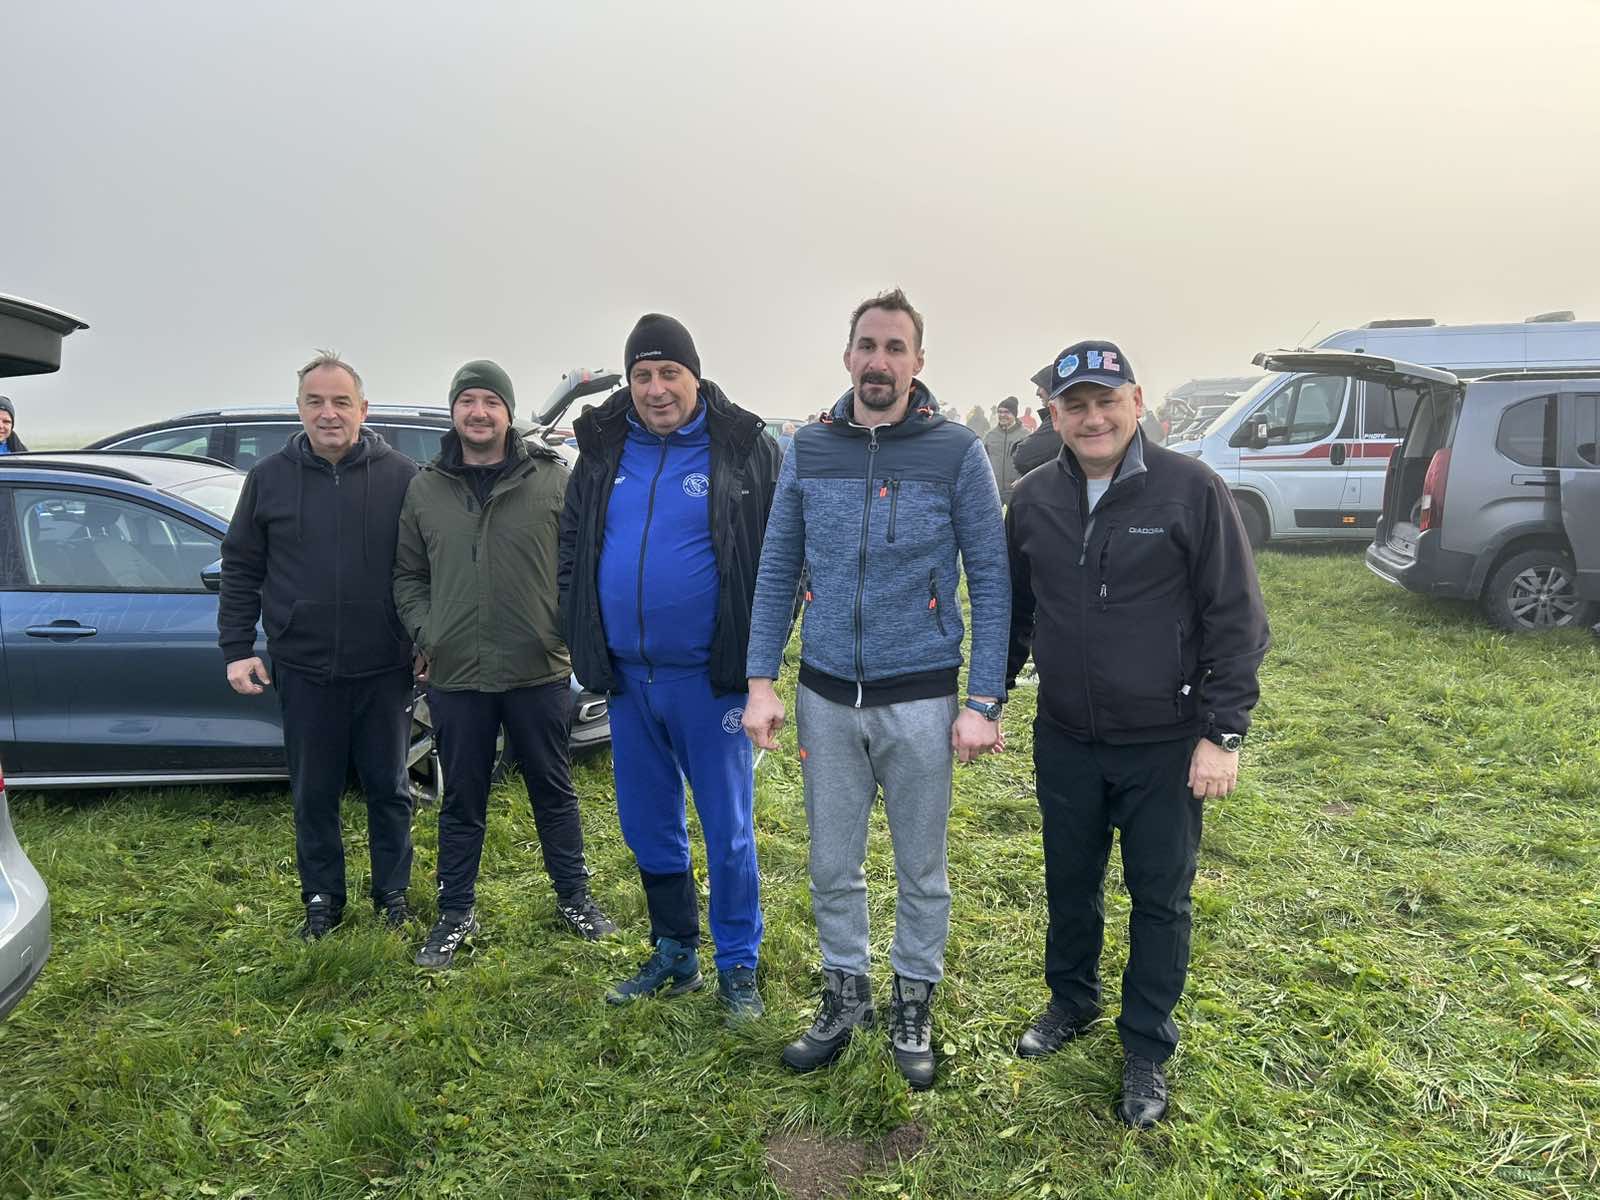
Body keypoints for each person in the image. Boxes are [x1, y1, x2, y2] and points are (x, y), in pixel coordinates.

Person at [743, 288, 1010, 1090]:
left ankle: (913, 1001)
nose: (879, 361)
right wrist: (761, 681)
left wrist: (982, 701)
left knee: (921, 869)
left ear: (918, 362)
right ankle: (845, 995)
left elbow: (991, 578)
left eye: (896, 348)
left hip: (923, 698)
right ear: (847, 355)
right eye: (868, 345)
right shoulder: (808, 448)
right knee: (833, 865)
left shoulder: (956, 452)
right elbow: (777, 569)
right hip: (826, 698)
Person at [1005, 339, 1269, 1128]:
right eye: (1075, 406)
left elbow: (1237, 618)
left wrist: (1223, 733)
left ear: (1137, 403)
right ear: (1054, 415)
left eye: (1106, 402)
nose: (1093, 419)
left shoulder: (1191, 489)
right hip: (1066, 736)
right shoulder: (1031, 499)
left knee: (1160, 899)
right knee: (1069, 882)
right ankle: (1071, 1000)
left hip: (1165, 741)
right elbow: (1016, 613)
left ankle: (1147, 1044)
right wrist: (987, 698)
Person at [558, 313, 780, 1022]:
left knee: (728, 830)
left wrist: (761, 665)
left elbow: (781, 555)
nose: (656, 389)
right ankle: (675, 950)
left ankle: (738, 965)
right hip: (628, 679)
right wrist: (580, 629)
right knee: (647, 823)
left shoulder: (741, 447)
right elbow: (572, 547)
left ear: (695, 376)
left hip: (708, 680)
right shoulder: (603, 449)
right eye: (642, 375)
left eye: (669, 373)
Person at [393, 360, 615, 970]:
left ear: (508, 412)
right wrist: (429, 632)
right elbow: (408, 575)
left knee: (554, 789)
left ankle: (574, 898)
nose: (479, 412)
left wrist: (565, 631)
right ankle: (454, 910)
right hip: (457, 672)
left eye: (491, 401)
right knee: (462, 798)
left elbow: (582, 564)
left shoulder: (551, 479)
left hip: (536, 667)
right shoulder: (425, 488)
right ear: (454, 412)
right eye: (468, 401)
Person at [218, 351, 419, 940]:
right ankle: (322, 899)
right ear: (299, 408)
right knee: (314, 792)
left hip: (384, 665)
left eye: (340, 402)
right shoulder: (268, 478)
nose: (328, 413)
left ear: (363, 409)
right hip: (302, 666)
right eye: (315, 402)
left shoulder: (403, 477)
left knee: (389, 788)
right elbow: (241, 566)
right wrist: (237, 647)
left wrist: (424, 639)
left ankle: (392, 895)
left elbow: (423, 569)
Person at [1010, 365, 1063, 477]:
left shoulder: (1061, 420)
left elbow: (1023, 457)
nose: (1037, 392)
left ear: (1051, 387)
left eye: (1040, 386)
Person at [983, 396, 1027, 505]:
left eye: (1007, 412)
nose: (1002, 415)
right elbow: (982, 461)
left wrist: (1023, 478)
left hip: (1016, 489)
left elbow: (1033, 463)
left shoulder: (1026, 436)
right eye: (1000, 412)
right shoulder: (989, 436)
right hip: (994, 489)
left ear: (1014, 414)